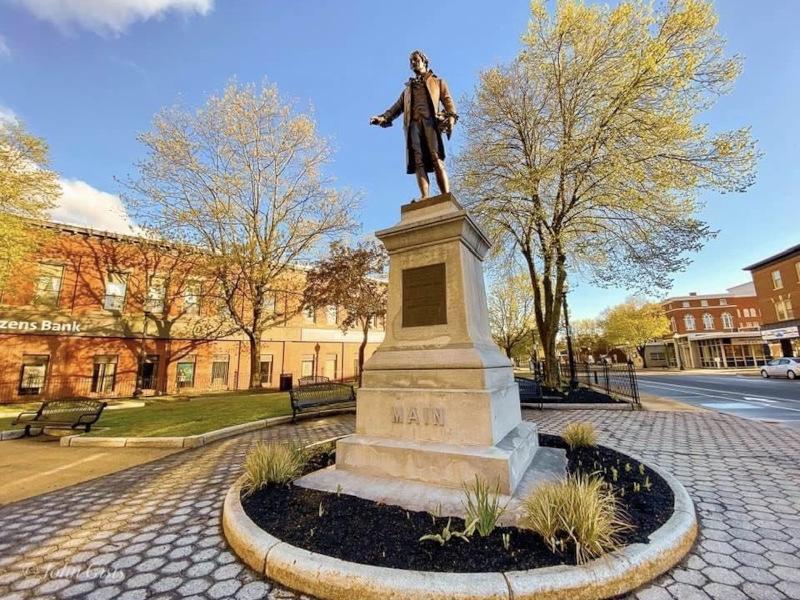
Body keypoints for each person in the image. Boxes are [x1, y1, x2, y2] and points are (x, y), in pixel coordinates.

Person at [370, 50, 457, 199]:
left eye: (416, 60)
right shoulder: (407, 90)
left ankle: (445, 197)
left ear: (424, 61)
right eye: (411, 61)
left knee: (436, 158)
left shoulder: (438, 82)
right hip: (413, 126)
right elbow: (396, 108)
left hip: (430, 123)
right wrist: (383, 118)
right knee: (418, 161)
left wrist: (451, 117)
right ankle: (424, 197)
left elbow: (449, 104)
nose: (413, 63)